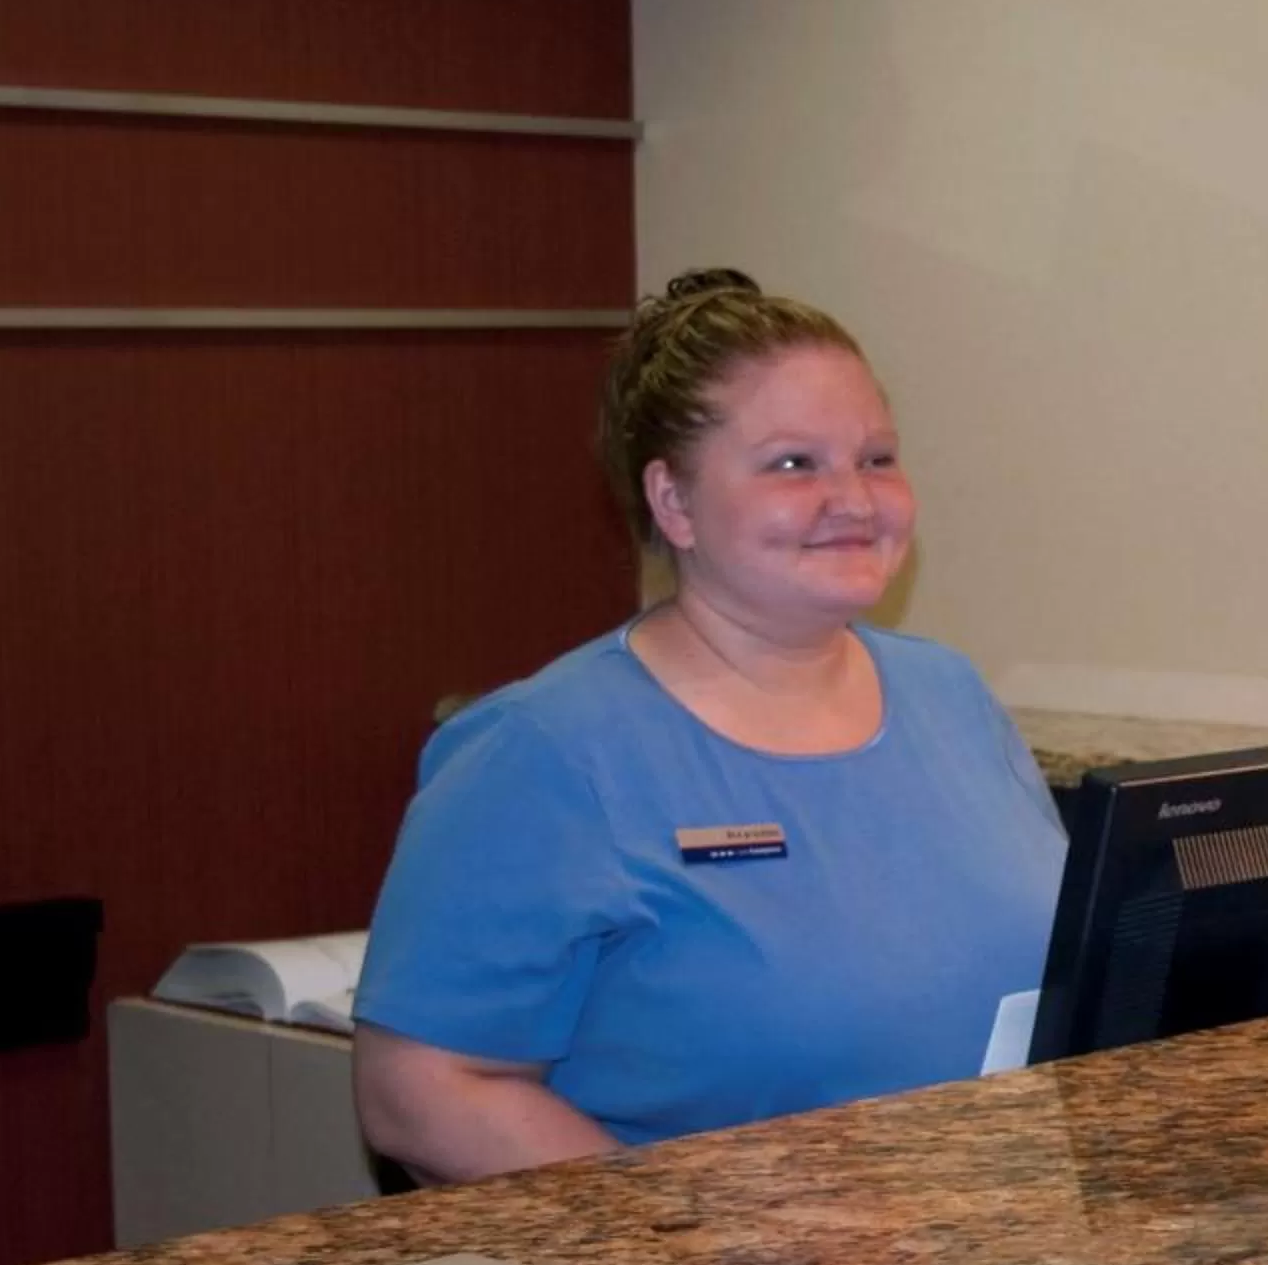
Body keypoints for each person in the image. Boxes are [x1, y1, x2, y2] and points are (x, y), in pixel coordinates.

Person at [354, 270, 1064, 1183]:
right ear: (674, 502)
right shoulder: (546, 751)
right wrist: (701, 1238)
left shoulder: (951, 696)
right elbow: (418, 1090)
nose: (852, 499)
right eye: (793, 464)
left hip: (993, 1254)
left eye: (877, 458)